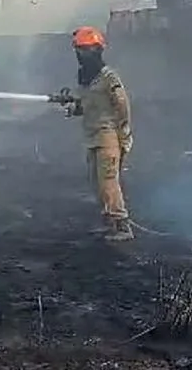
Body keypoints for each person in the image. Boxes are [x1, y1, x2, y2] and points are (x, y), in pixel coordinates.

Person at [65, 26, 134, 241]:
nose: (82, 55)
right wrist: (74, 108)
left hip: (108, 137)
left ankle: (122, 226)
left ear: (97, 50)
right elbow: (88, 105)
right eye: (80, 50)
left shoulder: (108, 77)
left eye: (86, 50)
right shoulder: (86, 79)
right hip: (93, 137)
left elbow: (122, 104)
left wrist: (123, 131)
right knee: (96, 182)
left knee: (108, 181)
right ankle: (109, 222)